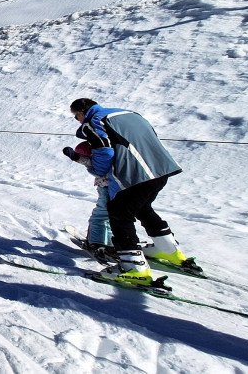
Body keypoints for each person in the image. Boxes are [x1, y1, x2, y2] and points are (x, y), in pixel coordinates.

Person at [70, 98, 190, 286]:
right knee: (141, 208)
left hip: (136, 174)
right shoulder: (128, 114)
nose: (78, 121)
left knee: (118, 212)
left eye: (76, 116)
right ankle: (168, 249)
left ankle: (133, 267)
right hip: (162, 169)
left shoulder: (93, 122)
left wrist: (93, 168)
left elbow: (104, 153)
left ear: (82, 112)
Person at [61, 142, 114, 261]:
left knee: (99, 216)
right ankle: (111, 242)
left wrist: (75, 156)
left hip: (106, 188)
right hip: (118, 188)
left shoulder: (98, 161)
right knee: (111, 216)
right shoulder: (111, 155)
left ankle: (96, 242)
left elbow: (87, 161)